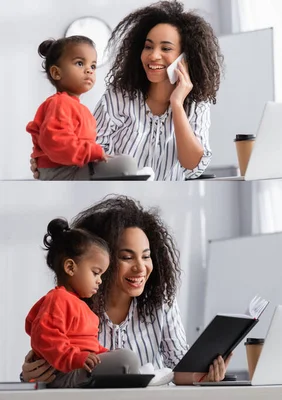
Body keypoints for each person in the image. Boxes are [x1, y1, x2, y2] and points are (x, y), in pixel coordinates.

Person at [22, 196, 229, 385]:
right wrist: (29, 374)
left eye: (146, 256)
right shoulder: (72, 303)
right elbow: (47, 350)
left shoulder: (161, 303)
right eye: (127, 257)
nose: (140, 267)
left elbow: (178, 366)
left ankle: (142, 377)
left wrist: (204, 375)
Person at [30, 1, 222, 181]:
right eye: (148, 46)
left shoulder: (197, 105)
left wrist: (177, 105)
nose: (153, 55)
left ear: (185, 58)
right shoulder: (118, 97)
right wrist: (51, 162)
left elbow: (193, 167)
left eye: (166, 48)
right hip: (116, 198)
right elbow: (90, 159)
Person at [26, 218, 140, 388]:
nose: (100, 281)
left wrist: (105, 354)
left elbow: (89, 345)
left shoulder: (80, 306)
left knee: (123, 356)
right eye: (96, 273)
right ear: (70, 268)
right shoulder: (58, 299)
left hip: (78, 366)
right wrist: (74, 358)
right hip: (64, 372)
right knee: (127, 359)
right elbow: (44, 337)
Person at [26, 36, 139, 180]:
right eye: (80, 63)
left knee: (124, 162)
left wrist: (94, 154)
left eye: (93, 66)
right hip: (62, 170)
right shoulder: (59, 103)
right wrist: (94, 152)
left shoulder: (79, 108)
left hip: (74, 166)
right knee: (125, 164)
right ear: (56, 73)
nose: (89, 70)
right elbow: (57, 141)